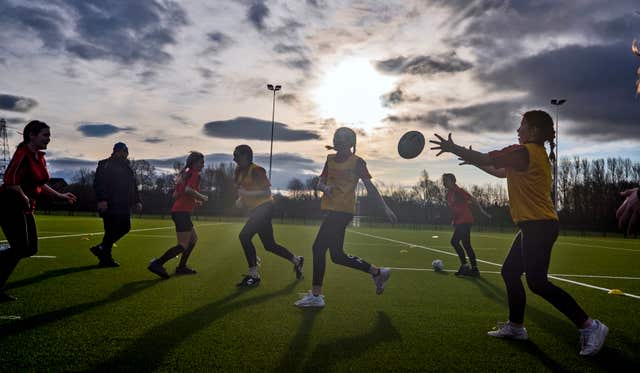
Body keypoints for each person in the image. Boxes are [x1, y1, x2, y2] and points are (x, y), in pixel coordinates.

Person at [430, 110, 608, 356]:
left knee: (537, 282)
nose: (518, 130)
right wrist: (475, 163)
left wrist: (453, 148)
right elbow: (501, 172)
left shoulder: (523, 152)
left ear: (533, 131)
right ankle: (516, 327)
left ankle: (590, 326)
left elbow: (486, 157)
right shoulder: (532, 155)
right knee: (510, 272)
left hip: (540, 225)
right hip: (533, 226)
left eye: (522, 125)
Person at [294, 127, 398, 308]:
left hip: (342, 211)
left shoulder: (357, 162)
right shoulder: (330, 160)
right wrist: (324, 188)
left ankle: (317, 295)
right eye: (338, 138)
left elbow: (370, 187)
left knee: (318, 248)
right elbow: (320, 181)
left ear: (350, 143)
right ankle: (377, 272)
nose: (339, 141)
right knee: (337, 255)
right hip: (332, 210)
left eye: (343, 139)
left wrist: (385, 207)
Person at [0, 120, 77, 302]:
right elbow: (10, 179)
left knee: (30, 248)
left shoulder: (39, 157)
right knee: (19, 248)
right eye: (45, 135)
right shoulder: (23, 153)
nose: (48, 139)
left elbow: (40, 183)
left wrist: (60, 195)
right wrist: (23, 196)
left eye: (49, 135)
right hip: (9, 205)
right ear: (31, 136)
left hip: (25, 208)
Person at [233, 145, 304, 287]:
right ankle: (296, 260)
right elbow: (244, 190)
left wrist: (246, 195)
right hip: (256, 209)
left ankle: (254, 274)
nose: (234, 158)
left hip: (265, 208)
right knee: (269, 245)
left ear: (246, 156)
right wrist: (241, 200)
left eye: (236, 155)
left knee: (244, 236)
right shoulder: (238, 171)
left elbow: (266, 193)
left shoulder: (257, 170)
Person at [147, 152, 208, 279]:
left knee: (193, 240)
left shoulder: (185, 174)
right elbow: (188, 190)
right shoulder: (194, 174)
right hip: (181, 213)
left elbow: (176, 195)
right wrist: (202, 197)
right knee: (183, 245)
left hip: (180, 211)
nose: (203, 165)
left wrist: (193, 200)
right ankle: (157, 263)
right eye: (201, 162)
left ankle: (181, 267)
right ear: (194, 163)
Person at [89, 142, 142, 267]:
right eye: (124, 151)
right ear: (117, 151)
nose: (126, 154)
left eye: (127, 152)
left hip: (124, 204)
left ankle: (101, 248)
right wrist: (102, 200)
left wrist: (137, 200)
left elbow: (132, 186)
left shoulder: (127, 167)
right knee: (110, 230)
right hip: (109, 203)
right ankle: (105, 258)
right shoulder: (105, 164)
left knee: (125, 227)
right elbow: (99, 183)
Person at [442, 173, 490, 276]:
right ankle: (472, 269)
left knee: (455, 242)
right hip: (459, 222)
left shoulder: (459, 191)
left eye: (446, 180)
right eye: (443, 180)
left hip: (465, 221)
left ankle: (467, 267)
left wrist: (482, 211)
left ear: (452, 181)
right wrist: (453, 220)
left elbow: (473, 199)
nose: (444, 182)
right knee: (465, 244)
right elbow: (454, 209)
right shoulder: (448, 195)